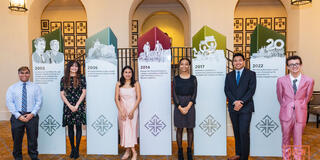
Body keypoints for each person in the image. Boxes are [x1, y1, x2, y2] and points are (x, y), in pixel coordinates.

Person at [276, 55, 314, 159]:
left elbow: (307, 97)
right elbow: (280, 97)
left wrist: (300, 105)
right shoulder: (281, 80)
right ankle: (286, 158)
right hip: (285, 114)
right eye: (291, 65)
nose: (294, 66)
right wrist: (287, 105)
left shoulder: (309, 80)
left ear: (301, 65)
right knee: (285, 138)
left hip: (300, 114)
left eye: (297, 64)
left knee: (298, 139)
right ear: (287, 67)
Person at [224, 53, 256, 160]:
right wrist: (235, 102)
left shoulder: (251, 74)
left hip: (246, 108)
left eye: (240, 60)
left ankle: (244, 157)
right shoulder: (229, 75)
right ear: (232, 63)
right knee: (236, 131)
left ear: (244, 61)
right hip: (233, 108)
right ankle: (238, 154)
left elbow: (251, 90)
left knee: (243, 132)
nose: (237, 62)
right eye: (235, 60)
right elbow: (227, 90)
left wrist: (241, 102)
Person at [6, 66, 42, 160]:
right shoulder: (12, 88)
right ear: (18, 74)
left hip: (32, 116)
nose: (24, 75)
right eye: (22, 73)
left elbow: (39, 101)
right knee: (17, 139)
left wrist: (32, 114)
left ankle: (33, 155)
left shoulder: (35, 87)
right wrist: (18, 116)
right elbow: (9, 103)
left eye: (26, 73)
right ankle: (18, 156)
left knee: (33, 139)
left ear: (29, 74)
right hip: (17, 117)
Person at [60, 60, 86, 159]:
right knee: (70, 128)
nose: (74, 68)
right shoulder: (64, 79)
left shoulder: (82, 78)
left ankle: (77, 149)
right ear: (69, 67)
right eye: (72, 66)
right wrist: (70, 105)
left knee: (78, 127)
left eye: (76, 66)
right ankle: (72, 148)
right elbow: (62, 94)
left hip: (79, 105)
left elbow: (84, 92)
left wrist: (77, 105)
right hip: (68, 106)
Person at [173, 58, 197, 160]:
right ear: (179, 66)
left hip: (190, 105)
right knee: (179, 129)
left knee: (190, 128)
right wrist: (179, 107)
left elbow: (195, 93)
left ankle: (189, 150)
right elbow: (173, 94)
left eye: (186, 64)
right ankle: (180, 151)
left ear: (189, 66)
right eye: (182, 64)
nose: (184, 66)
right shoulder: (175, 79)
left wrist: (188, 106)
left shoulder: (193, 78)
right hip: (178, 105)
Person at [115, 66, 141, 160]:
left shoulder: (136, 83)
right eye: (125, 72)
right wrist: (121, 111)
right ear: (123, 73)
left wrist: (133, 111)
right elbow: (116, 99)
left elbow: (139, 98)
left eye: (129, 72)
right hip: (122, 110)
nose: (127, 74)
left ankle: (133, 152)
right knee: (124, 130)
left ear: (132, 73)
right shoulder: (118, 83)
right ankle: (128, 151)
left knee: (131, 130)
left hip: (133, 109)